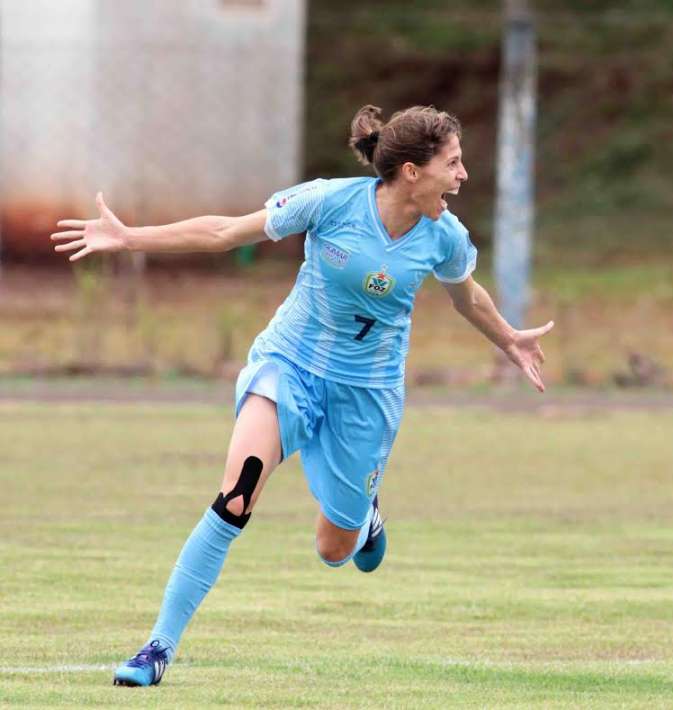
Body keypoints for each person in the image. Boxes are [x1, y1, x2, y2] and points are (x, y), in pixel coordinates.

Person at [51, 104, 554, 687]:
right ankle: (156, 647)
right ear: (412, 171)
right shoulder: (330, 201)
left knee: (334, 549)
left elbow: (467, 297)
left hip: (366, 395)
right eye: (454, 162)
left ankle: (361, 518)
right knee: (235, 496)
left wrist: (510, 339)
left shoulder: (444, 237)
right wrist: (130, 236)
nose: (464, 175)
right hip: (287, 367)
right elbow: (224, 232)